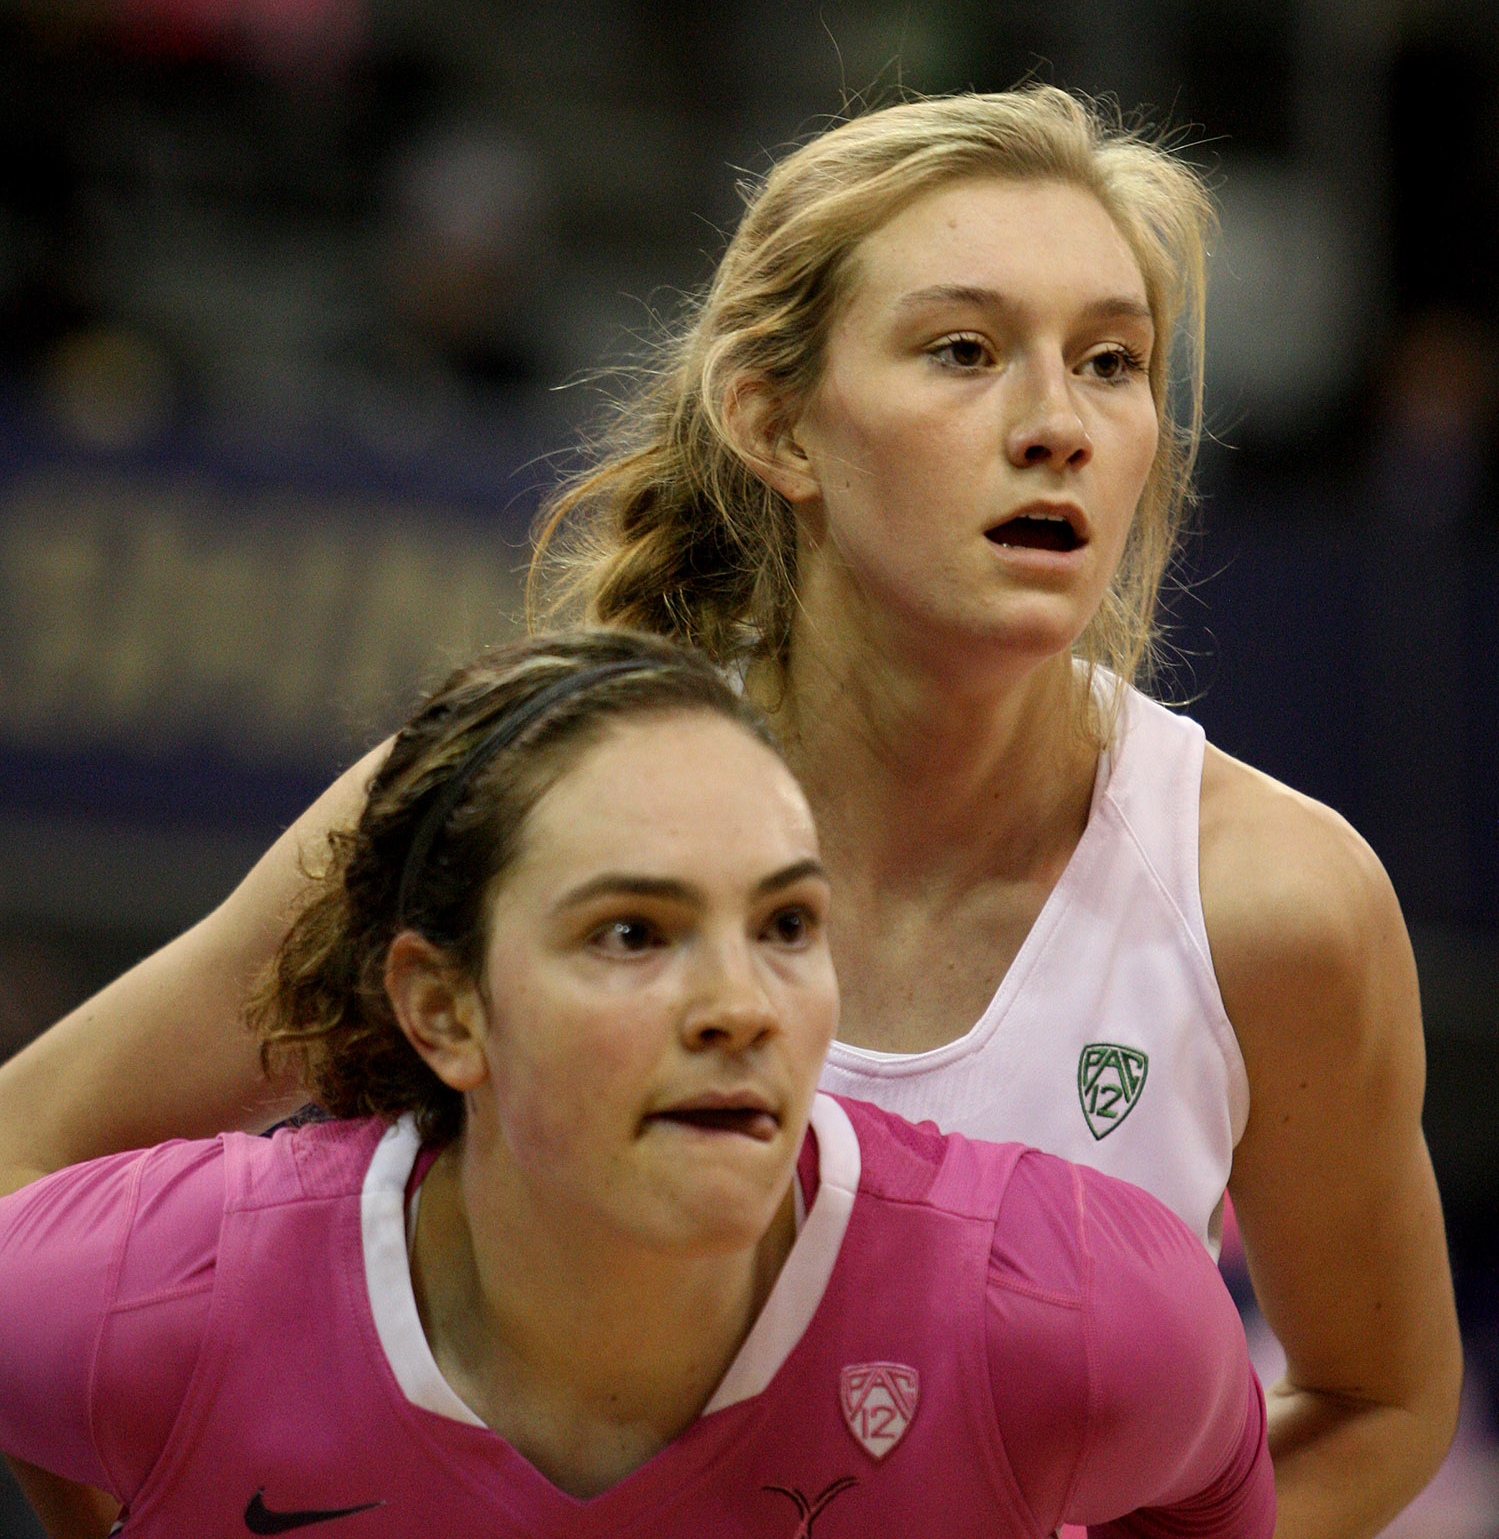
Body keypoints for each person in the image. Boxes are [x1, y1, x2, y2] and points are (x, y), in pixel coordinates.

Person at [0, 89, 1460, 1539]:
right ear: (775, 421)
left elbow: (1378, 1402)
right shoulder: (507, 817)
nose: (1056, 425)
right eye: (963, 351)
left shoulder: (1267, 900)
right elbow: (28, 1154)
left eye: (1109, 363)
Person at [0, 630, 1274, 1537]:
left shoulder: (1075, 1314)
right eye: (630, 935)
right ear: (445, 1010)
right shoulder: (160, 1296)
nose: (740, 1010)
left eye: (785, 926)